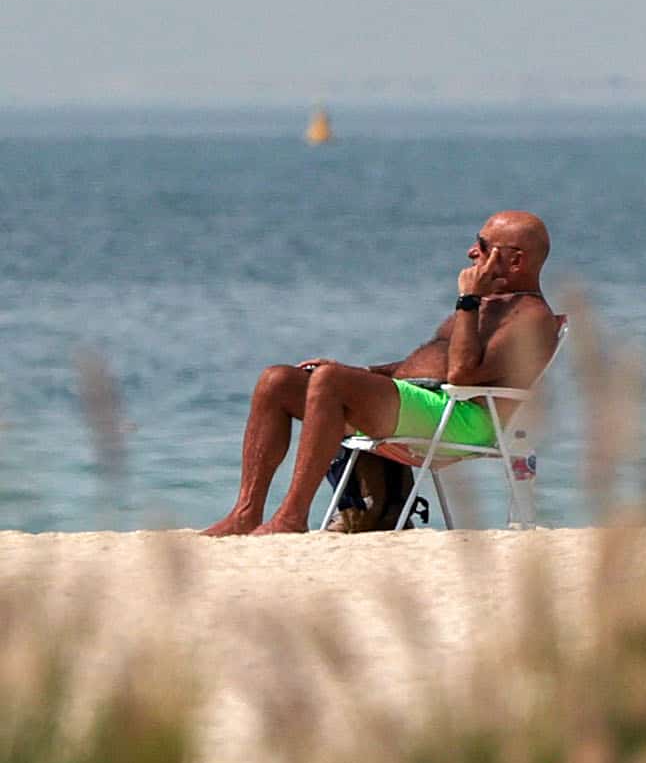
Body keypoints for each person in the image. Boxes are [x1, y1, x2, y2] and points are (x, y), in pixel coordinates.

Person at [203, 211, 559, 536]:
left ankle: (291, 517)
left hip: (466, 417)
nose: (471, 252)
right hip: (424, 403)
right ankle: (246, 512)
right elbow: (429, 365)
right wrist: (360, 373)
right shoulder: (490, 304)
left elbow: (462, 374)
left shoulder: (531, 317)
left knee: (330, 383)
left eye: (483, 246)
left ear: (515, 260)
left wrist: (467, 300)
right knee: (276, 381)